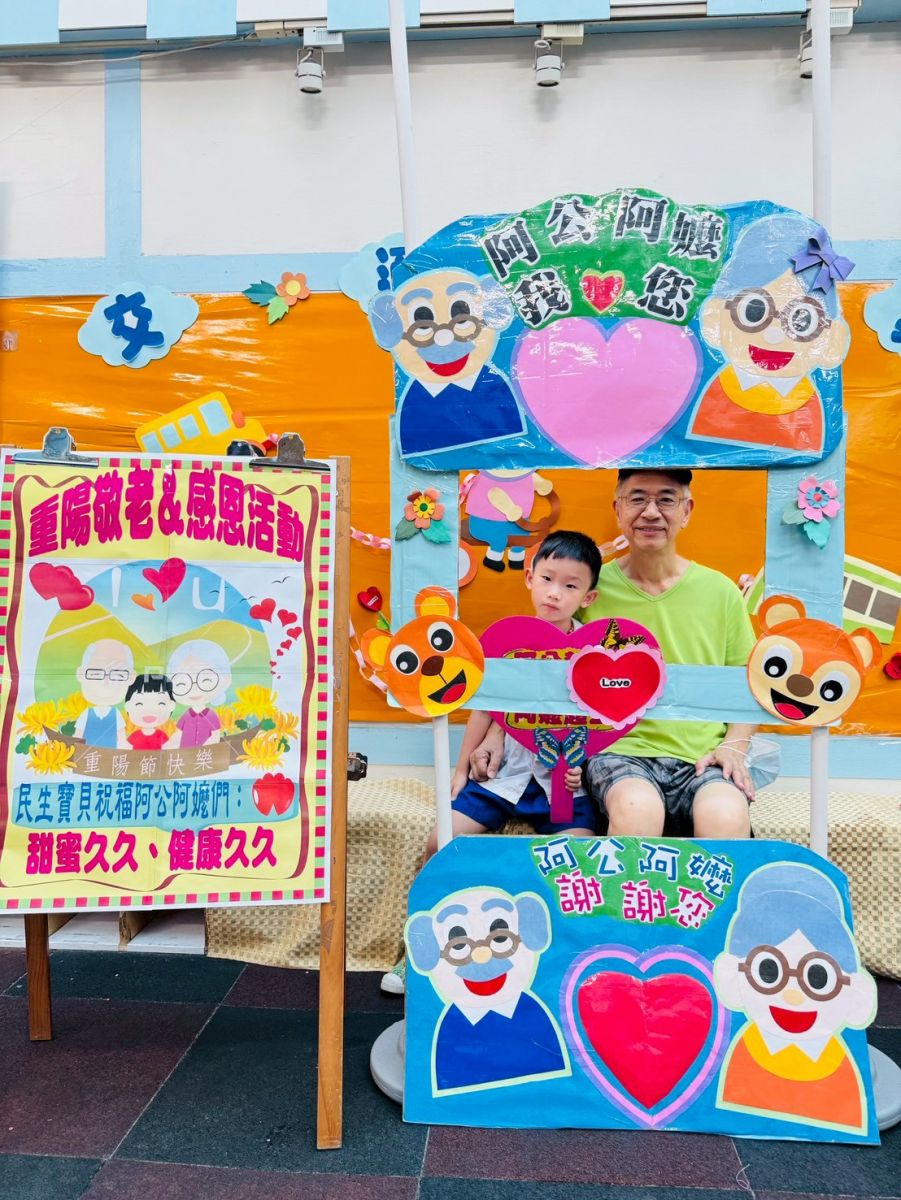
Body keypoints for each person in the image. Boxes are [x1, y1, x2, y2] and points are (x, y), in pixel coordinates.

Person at [469, 469, 757, 840]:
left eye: (666, 500)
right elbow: (538, 662)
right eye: (637, 499)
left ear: (686, 511)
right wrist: (497, 733)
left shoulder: (720, 591)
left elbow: (747, 681)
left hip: (703, 756)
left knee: (726, 815)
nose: (650, 512)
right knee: (637, 808)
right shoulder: (585, 589)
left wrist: (734, 746)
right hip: (617, 752)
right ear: (618, 510)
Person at [381, 529, 603, 994]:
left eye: (569, 585)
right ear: (529, 577)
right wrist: (461, 769)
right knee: (440, 841)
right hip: (503, 775)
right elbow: (484, 707)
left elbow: (600, 722)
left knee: (578, 859)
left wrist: (581, 765)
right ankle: (417, 952)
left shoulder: (593, 652)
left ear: (588, 596)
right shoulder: (504, 640)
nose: (554, 593)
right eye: (547, 579)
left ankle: (559, 962)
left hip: (562, 782)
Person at [166, 639, 232, 749]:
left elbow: (215, 736)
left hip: (203, 754)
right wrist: (169, 745)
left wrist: (203, 749)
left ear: (224, 680)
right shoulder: (186, 715)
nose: (194, 688)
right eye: (182, 683)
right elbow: (178, 734)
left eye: (205, 680)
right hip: (186, 753)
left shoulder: (211, 715)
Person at [74, 639, 135, 749]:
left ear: (131, 678)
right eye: (96, 674)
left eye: (118, 676)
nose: (105, 684)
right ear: (81, 674)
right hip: (88, 752)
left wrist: (124, 746)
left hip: (109, 752)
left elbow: (121, 735)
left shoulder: (115, 714)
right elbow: (78, 734)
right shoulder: (87, 713)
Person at [124, 674, 177, 750]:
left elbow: (167, 748)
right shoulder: (135, 736)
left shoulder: (161, 735)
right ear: (128, 706)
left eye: (161, 703)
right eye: (139, 704)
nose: (149, 710)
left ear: (171, 705)